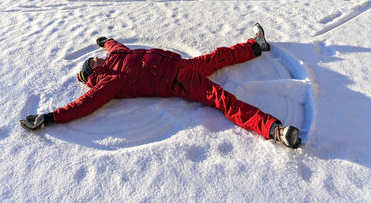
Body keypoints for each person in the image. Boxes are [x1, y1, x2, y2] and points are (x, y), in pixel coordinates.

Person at [19, 23, 301, 149]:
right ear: (90, 71)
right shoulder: (108, 82)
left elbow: (116, 45)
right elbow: (84, 104)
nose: (95, 58)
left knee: (218, 57)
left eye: (95, 57)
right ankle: (275, 130)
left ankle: (255, 46)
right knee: (225, 102)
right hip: (178, 82)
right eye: (91, 62)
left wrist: (105, 41)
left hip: (183, 66)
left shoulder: (116, 55)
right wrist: (51, 116)